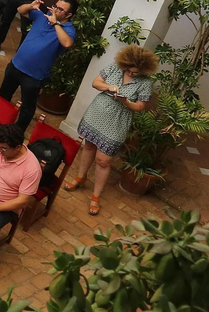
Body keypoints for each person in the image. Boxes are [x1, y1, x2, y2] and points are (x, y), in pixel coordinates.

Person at [68, 44, 158, 216]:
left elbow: (141, 106)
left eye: (137, 72)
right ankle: (80, 177)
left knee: (104, 160)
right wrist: (109, 87)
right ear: (125, 63)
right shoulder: (115, 67)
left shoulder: (146, 83)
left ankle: (96, 196)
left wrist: (126, 102)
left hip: (118, 121)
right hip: (97, 113)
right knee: (89, 146)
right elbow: (96, 82)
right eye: (130, 70)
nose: (133, 74)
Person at [0, 0, 78, 129]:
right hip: (15, 65)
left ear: (69, 15)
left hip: (33, 76)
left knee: (27, 108)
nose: (54, 10)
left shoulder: (68, 30)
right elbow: (20, 10)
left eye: (60, 9)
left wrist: (55, 23)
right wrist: (31, 5)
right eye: (55, 6)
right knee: (3, 97)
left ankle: (16, 133)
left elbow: (67, 43)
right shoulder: (44, 15)